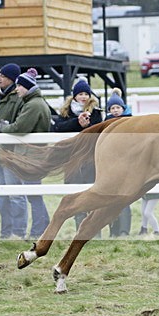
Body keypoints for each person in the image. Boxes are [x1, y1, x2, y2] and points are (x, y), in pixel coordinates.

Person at [0, 68, 51, 238]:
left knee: (33, 196)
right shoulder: (34, 103)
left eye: (19, 86)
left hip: (31, 156)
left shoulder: (34, 105)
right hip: (30, 155)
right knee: (33, 195)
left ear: (27, 87)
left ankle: (38, 231)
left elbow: (19, 127)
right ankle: (42, 228)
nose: (17, 89)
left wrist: (3, 127)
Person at [52, 78, 103, 231]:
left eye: (85, 94)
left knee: (91, 193)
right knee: (74, 193)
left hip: (89, 159)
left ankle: (93, 229)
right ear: (74, 96)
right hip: (71, 158)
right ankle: (79, 229)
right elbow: (58, 128)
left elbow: (98, 129)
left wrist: (87, 126)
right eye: (80, 94)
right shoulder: (66, 111)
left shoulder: (95, 112)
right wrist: (77, 122)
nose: (83, 97)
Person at [0, 63, 26, 238]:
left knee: (15, 194)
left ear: (10, 78)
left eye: (1, 76)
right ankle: (6, 231)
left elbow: (18, 126)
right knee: (1, 195)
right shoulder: (1, 97)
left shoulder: (18, 98)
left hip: (11, 154)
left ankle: (18, 232)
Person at [104, 90, 133, 236]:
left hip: (126, 165)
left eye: (117, 108)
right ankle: (113, 230)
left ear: (123, 108)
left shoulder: (130, 122)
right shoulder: (106, 123)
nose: (115, 111)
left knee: (124, 197)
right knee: (110, 199)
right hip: (111, 165)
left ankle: (124, 230)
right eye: (112, 108)